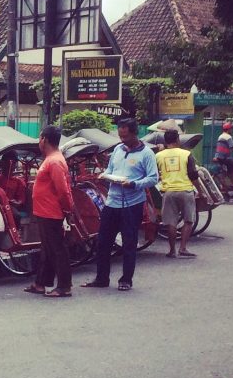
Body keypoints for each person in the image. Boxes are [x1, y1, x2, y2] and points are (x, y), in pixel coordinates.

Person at [82, 117, 159, 292]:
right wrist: (105, 176)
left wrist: (134, 184)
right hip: (112, 202)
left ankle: (126, 280)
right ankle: (101, 278)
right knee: (103, 242)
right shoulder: (117, 149)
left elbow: (153, 178)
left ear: (134, 134)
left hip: (132, 204)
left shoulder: (146, 153)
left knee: (129, 243)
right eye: (120, 135)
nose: (122, 140)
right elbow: (110, 170)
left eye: (125, 136)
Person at [24, 125, 75, 298]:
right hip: (45, 211)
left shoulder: (54, 161)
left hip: (51, 212)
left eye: (39, 138)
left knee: (57, 250)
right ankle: (40, 283)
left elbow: (63, 190)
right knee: (47, 249)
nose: (39, 141)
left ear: (44, 139)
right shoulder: (52, 159)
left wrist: (68, 209)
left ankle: (64, 286)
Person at [155, 129, 199, 259]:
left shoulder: (158, 156)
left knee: (171, 222)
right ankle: (183, 248)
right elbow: (193, 175)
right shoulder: (186, 154)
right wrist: (200, 191)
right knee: (188, 220)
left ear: (165, 141)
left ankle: (172, 250)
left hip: (168, 192)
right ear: (178, 139)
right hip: (186, 190)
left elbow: (155, 174)